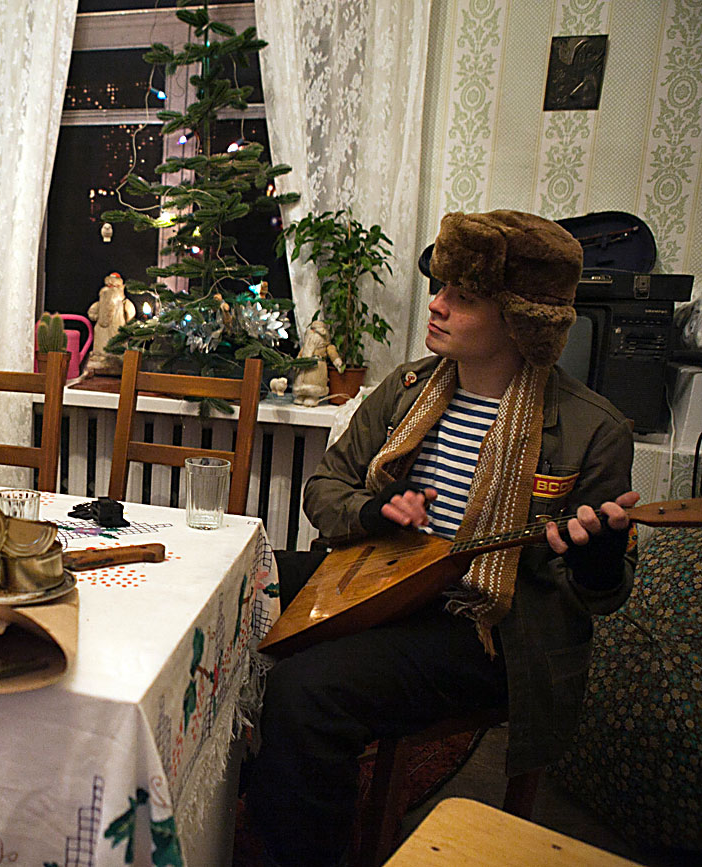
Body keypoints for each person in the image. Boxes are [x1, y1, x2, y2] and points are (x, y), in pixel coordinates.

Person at [243, 210, 638, 867]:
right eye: (441, 285)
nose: (437, 303)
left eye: (464, 295)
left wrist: (597, 562)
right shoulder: (407, 389)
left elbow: (600, 597)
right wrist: (374, 512)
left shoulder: (593, 428)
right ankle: (246, 783)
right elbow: (326, 488)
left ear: (520, 320)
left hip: (487, 631)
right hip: (380, 578)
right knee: (237, 582)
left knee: (309, 691)